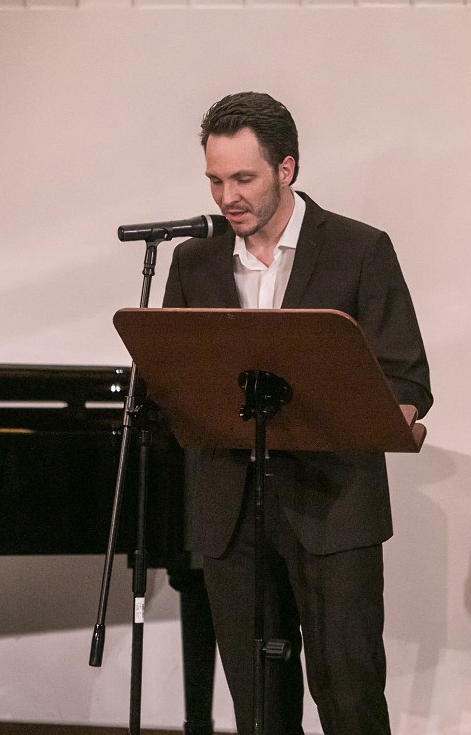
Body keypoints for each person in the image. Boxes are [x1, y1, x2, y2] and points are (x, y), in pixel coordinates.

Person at [162, 92, 432, 735]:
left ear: (286, 168)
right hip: (230, 511)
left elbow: (406, 374)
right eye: (215, 180)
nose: (227, 197)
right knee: (258, 708)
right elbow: (172, 378)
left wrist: (390, 412)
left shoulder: (358, 249)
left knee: (349, 697)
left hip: (332, 506)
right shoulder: (193, 261)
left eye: (243, 178)